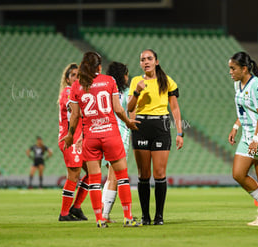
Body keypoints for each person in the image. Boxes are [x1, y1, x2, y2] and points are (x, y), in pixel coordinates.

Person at [61, 51, 142, 228]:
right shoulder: (109, 81)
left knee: (95, 180)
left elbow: (74, 116)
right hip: (111, 134)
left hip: (91, 136)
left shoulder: (76, 86)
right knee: (122, 177)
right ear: (99, 66)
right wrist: (128, 122)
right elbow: (118, 109)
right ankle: (128, 217)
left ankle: (99, 219)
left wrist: (70, 134)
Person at [127, 49, 184, 225]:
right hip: (141, 126)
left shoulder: (167, 81)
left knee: (159, 173)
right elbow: (129, 107)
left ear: (156, 61)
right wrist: (136, 92)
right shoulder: (136, 81)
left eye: (149, 58)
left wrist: (180, 132)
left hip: (161, 126)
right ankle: (145, 216)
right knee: (144, 174)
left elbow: (174, 108)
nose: (146, 62)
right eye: (143, 59)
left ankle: (159, 216)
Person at [228, 51, 258, 226]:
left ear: (244, 68)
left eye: (233, 68)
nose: (230, 72)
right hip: (248, 134)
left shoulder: (256, 85)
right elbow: (244, 111)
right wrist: (235, 127)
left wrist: (257, 138)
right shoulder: (237, 84)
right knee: (238, 174)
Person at [57, 63, 89, 221]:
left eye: (79, 75)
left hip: (80, 139)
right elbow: (77, 113)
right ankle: (64, 214)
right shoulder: (68, 92)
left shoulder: (79, 93)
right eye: (73, 75)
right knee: (74, 175)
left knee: (91, 172)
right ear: (68, 79)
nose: (77, 78)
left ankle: (76, 207)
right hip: (70, 138)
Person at [100, 62, 131, 222]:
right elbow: (130, 111)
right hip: (119, 134)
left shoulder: (104, 90)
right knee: (116, 177)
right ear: (122, 75)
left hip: (103, 132)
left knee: (110, 175)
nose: (127, 77)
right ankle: (104, 215)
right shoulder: (126, 91)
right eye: (126, 74)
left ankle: (105, 212)